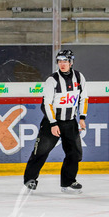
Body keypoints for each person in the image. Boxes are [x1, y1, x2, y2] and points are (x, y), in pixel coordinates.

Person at [23, 48, 88, 194]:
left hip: (70, 122)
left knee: (75, 154)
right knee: (41, 151)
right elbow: (47, 104)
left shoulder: (79, 77)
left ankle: (69, 181)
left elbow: (84, 98)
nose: (62, 64)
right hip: (52, 122)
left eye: (65, 61)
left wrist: (82, 117)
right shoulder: (52, 80)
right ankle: (30, 180)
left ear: (71, 62)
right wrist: (53, 123)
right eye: (59, 61)